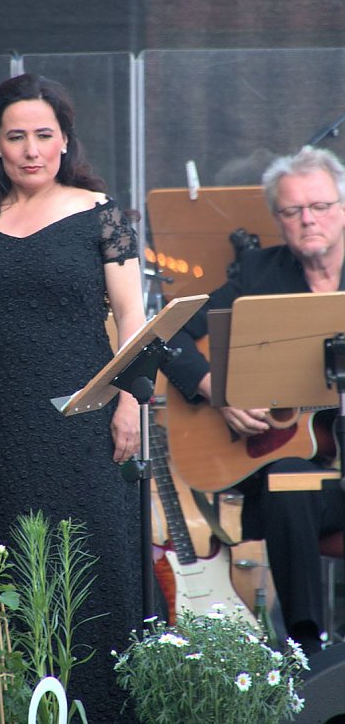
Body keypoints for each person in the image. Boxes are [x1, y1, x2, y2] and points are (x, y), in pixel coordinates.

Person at [0, 73, 147, 721]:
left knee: (87, 560)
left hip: (84, 417)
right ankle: (1, 705)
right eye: (15, 136)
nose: (31, 149)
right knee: (1, 566)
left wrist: (133, 400)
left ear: (65, 140)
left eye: (44, 135)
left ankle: (97, 709)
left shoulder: (101, 214)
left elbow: (134, 317)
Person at [163, 144, 345, 658]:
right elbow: (170, 338)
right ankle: (305, 648)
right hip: (292, 481)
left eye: (321, 206)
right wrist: (218, 393)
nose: (308, 220)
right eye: (293, 211)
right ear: (278, 219)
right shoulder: (258, 274)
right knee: (289, 476)